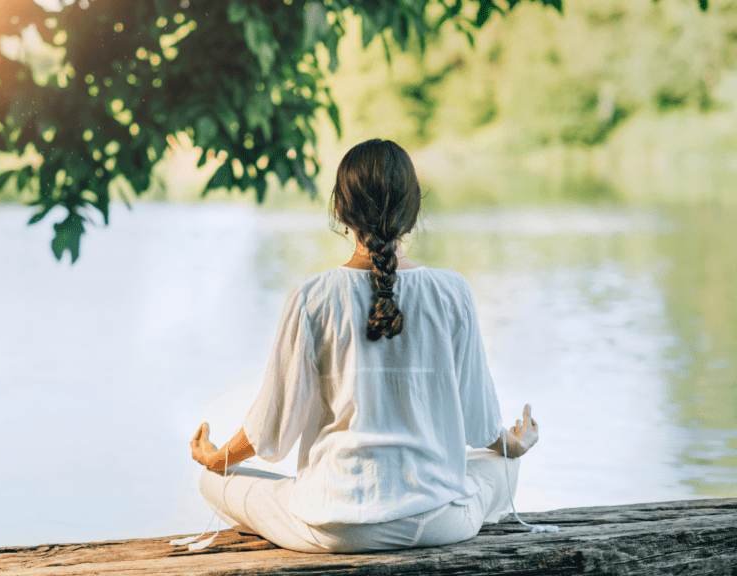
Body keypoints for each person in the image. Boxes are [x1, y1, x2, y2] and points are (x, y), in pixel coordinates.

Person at [188, 138, 540, 553]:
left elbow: (273, 429)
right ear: (414, 211)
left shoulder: (311, 295)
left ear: (340, 210)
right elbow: (481, 426)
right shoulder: (452, 291)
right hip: (438, 521)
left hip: (334, 528)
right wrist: (514, 445)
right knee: (501, 468)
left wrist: (218, 458)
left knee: (212, 482)